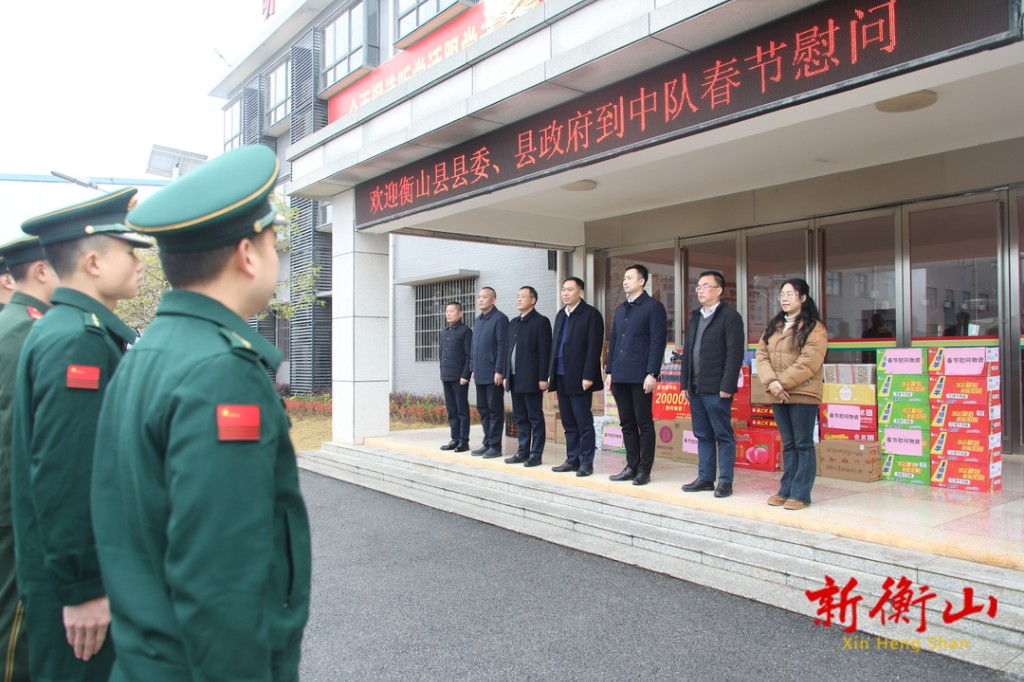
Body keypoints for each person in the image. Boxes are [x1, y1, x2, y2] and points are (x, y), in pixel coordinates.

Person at [91, 144, 311, 679]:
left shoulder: (150, 350)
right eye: (274, 242)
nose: (277, 256)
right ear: (247, 254)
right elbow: (222, 585)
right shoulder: (221, 372)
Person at [13, 188, 151, 680]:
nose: (140, 263)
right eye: (130, 252)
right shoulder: (79, 340)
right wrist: (84, 588)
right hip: (77, 591)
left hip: (65, 576)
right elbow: (68, 472)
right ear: (93, 262)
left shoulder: (65, 326)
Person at [0, 236, 59, 682]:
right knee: (15, 630)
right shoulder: (27, 331)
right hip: (12, 507)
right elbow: (18, 432)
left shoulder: (15, 323)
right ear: (40, 271)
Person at [755, 278, 827, 511]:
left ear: (803, 298)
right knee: (788, 443)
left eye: (790, 294)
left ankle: (800, 494)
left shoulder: (814, 327)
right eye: (782, 295)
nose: (784, 299)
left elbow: (809, 361)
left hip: (803, 393)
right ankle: (785, 490)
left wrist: (781, 383)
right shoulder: (774, 326)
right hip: (778, 393)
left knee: (802, 443)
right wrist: (771, 382)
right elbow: (761, 355)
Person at [680, 270, 744, 498]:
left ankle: (725, 481)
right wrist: (684, 384)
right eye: (698, 287)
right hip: (695, 388)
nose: (700, 290)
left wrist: (727, 386)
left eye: (706, 286)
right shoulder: (696, 317)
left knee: (722, 434)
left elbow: (734, 354)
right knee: (702, 434)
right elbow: (688, 352)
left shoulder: (730, 317)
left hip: (717, 389)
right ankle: (706, 478)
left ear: (719, 290)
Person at [605, 264, 667, 486]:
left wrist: (652, 373)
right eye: (624, 278)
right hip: (620, 374)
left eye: (630, 278)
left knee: (644, 423)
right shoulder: (621, 309)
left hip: (640, 375)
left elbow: (657, 342)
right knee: (626, 423)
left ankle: (644, 469)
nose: (625, 281)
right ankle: (631, 466)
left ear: (642, 281)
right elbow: (614, 342)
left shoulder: (653, 307)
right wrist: (609, 371)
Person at [547, 277, 604, 477]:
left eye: (570, 290)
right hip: (560, 375)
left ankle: (586, 463)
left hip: (579, 377)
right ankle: (572, 459)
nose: (565, 293)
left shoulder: (591, 314)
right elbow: (555, 346)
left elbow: (594, 347)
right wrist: (550, 373)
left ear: (580, 292)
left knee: (583, 421)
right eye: (563, 289)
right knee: (568, 421)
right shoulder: (560, 315)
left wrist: (588, 374)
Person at [503, 286, 551, 467]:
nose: (519, 299)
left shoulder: (541, 321)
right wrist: (506, 374)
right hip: (514, 378)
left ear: (533, 300)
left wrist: (543, 377)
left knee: (535, 418)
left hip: (531, 379)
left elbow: (545, 352)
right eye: (518, 296)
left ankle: (535, 454)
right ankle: (522, 452)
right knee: (520, 417)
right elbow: (507, 351)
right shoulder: (514, 322)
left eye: (523, 296)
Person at [470, 287, 508, 458]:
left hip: (493, 373)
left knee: (494, 410)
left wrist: (499, 370)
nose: (480, 300)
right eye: (479, 297)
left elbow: (502, 346)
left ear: (493, 300)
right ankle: (487, 443)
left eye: (484, 297)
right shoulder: (478, 320)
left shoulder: (500, 319)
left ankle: (495, 446)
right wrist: (472, 368)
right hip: (480, 373)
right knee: (483, 409)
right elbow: (473, 347)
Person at [439, 301, 472, 452]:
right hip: (447, 376)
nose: (448, 314)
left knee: (461, 411)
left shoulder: (465, 331)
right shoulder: (444, 332)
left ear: (460, 313)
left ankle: (464, 441)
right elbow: (442, 355)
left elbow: (468, 355)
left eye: (452, 311)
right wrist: (442, 374)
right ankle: (455, 439)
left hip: (460, 378)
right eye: (447, 311)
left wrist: (466, 375)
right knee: (451, 410)